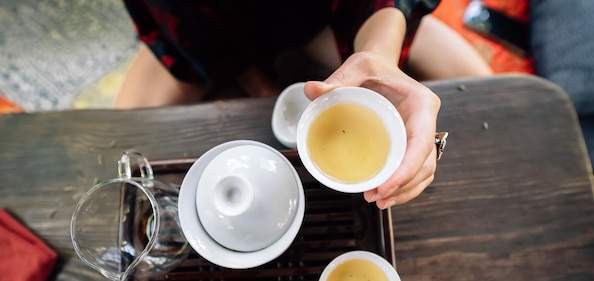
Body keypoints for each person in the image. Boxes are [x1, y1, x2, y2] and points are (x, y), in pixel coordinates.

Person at [114, 1, 492, 209]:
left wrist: (379, 57)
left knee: (487, 91)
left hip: (322, 16)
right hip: (208, 28)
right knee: (116, 144)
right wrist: (251, 80)